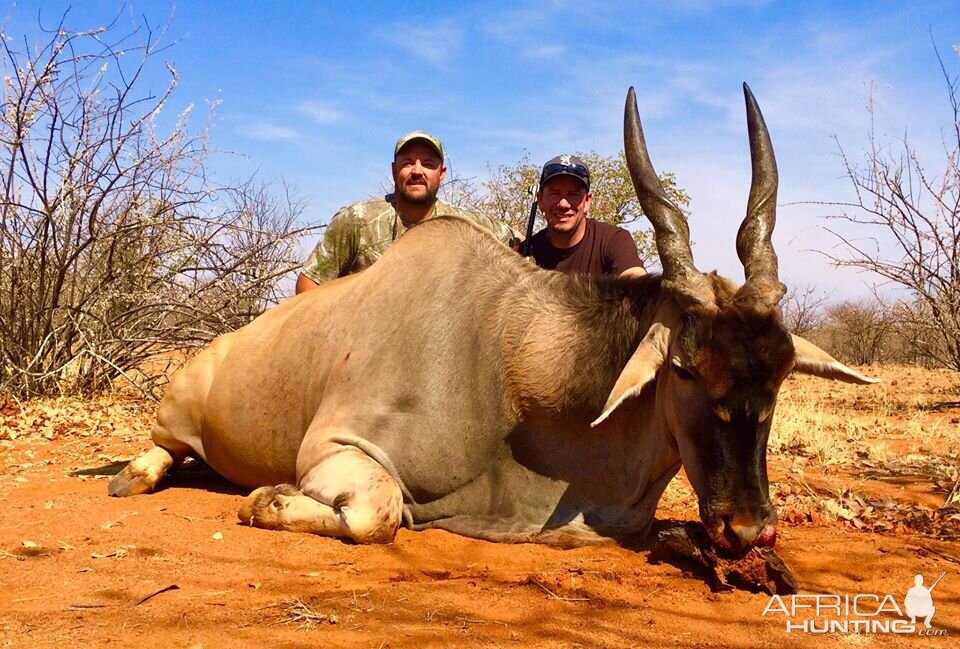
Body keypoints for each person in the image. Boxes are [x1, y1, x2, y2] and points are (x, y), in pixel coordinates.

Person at [297, 130, 518, 293]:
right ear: (394, 170)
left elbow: (521, 242)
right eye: (408, 163)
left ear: (442, 174)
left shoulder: (467, 225)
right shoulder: (358, 220)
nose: (417, 171)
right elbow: (309, 284)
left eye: (428, 164)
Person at [524, 154, 645, 278]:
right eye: (555, 193)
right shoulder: (522, 254)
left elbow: (638, 286)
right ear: (540, 200)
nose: (563, 204)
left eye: (574, 194)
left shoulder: (614, 240)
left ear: (587, 202)